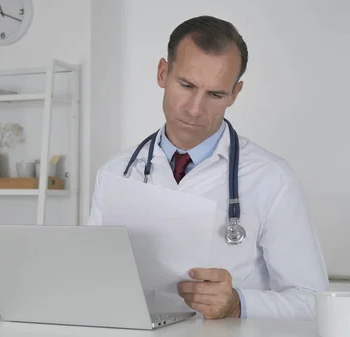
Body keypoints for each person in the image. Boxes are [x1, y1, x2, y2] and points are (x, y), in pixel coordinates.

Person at [86, 15, 328, 320]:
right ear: (163, 73)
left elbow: (314, 302)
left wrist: (238, 304)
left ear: (235, 93)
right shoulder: (115, 173)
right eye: (186, 85)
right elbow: (91, 279)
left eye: (215, 94)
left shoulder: (271, 178)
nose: (195, 108)